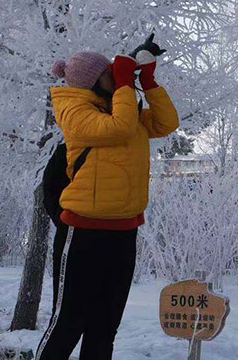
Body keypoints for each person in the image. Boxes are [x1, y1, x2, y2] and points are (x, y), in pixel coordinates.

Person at [36, 36, 180, 360]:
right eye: (109, 75)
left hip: (124, 231)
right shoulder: (75, 112)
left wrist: (149, 82)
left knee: (104, 328)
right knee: (68, 323)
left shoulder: (119, 109)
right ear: (92, 82)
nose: (115, 79)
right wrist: (126, 83)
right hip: (84, 232)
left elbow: (168, 123)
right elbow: (120, 127)